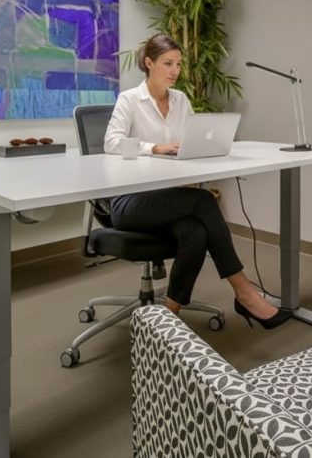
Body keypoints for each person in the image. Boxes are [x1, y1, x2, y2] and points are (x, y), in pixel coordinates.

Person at [103, 33, 293, 329]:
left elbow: (193, 138)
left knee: (195, 232)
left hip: (171, 199)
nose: (175, 71)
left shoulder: (181, 100)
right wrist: (154, 147)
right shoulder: (130, 100)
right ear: (148, 63)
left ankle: (168, 317)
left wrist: (205, 150)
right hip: (131, 201)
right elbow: (111, 142)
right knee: (204, 201)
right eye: (168, 63)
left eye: (178, 64)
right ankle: (245, 293)